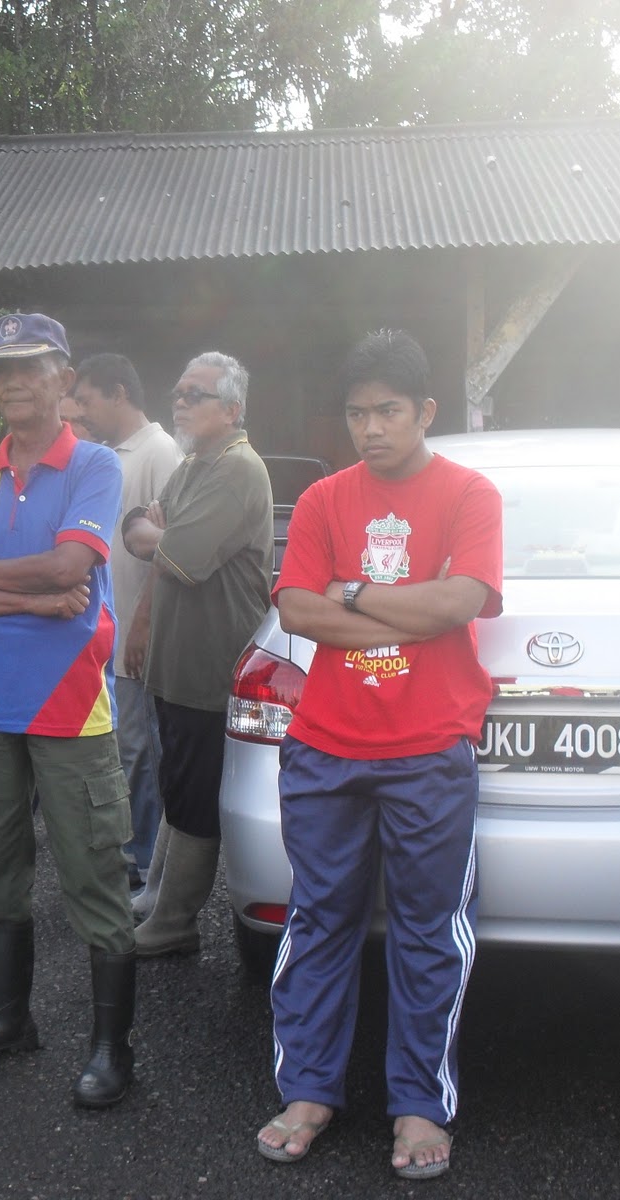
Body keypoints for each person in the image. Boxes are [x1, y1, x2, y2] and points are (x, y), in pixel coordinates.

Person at [256, 330, 502, 1180]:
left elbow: (460, 603)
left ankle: (419, 1104)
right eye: (358, 413)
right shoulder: (325, 498)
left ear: (425, 411)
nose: (371, 429)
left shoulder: (470, 494)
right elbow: (295, 610)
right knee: (320, 919)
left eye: (389, 411)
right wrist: (411, 606)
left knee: (429, 932)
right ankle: (311, 1089)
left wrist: (354, 592)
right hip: (325, 746)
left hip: (429, 748)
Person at [0, 312, 137, 1109]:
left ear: (64, 380)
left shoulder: (95, 465)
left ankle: (113, 1050)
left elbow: (73, 564)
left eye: (30, 367)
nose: (11, 381)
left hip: (73, 708)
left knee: (94, 878)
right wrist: (31, 594)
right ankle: (6, 1017)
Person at [120, 352, 273, 957]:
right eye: (179, 391)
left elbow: (183, 557)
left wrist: (159, 534)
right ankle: (158, 900)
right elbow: (143, 537)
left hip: (212, 664)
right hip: (177, 662)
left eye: (196, 394)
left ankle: (175, 921)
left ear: (232, 409)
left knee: (195, 786)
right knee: (178, 779)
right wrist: (156, 533)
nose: (180, 401)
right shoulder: (193, 467)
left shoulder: (237, 470)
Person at [72, 353, 182, 904]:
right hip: (107, 635)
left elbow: (172, 550)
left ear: (119, 393)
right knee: (124, 746)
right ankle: (136, 859)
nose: (83, 413)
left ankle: (145, 869)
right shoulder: (105, 457)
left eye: (88, 400)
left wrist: (142, 625)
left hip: (141, 635)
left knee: (141, 749)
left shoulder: (160, 452)